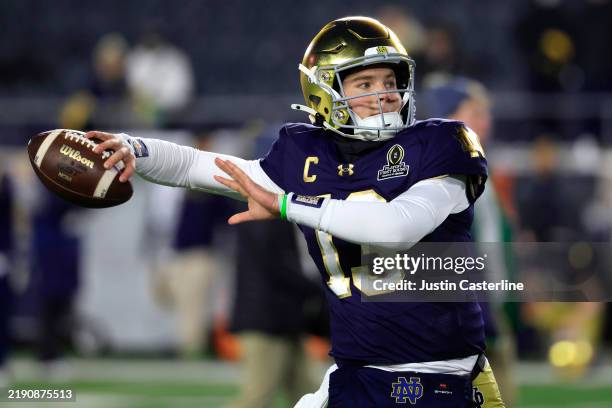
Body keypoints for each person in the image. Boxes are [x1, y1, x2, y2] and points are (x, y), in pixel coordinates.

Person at [86, 17, 504, 407]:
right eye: (364, 82)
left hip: (441, 375)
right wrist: (134, 148)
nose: (385, 94)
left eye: (390, 80)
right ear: (326, 92)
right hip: (355, 372)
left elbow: (395, 227)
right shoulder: (305, 154)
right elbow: (200, 168)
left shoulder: (442, 142)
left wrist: (288, 205)